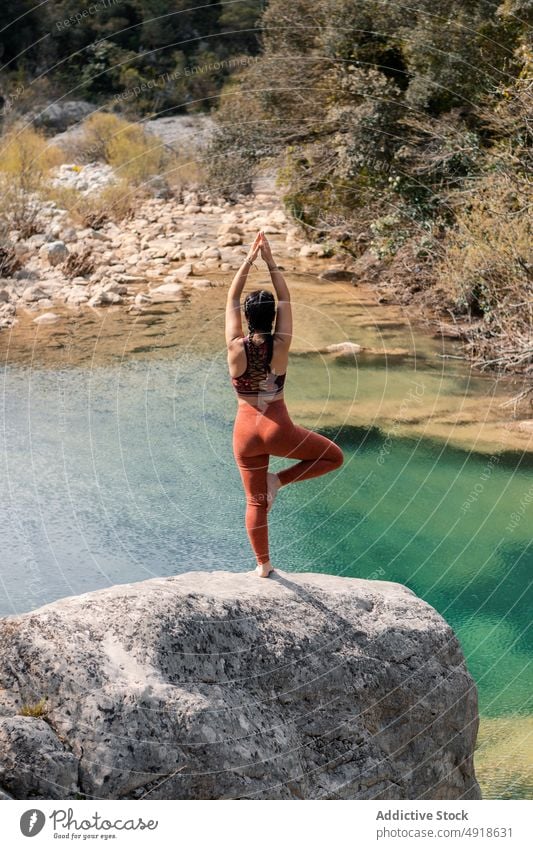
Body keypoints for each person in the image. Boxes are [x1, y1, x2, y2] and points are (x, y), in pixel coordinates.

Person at [226, 231, 344, 577]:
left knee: (254, 502)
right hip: (278, 427)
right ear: (272, 318)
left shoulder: (235, 347)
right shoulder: (281, 344)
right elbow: (286, 300)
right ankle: (280, 480)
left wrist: (249, 260)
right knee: (333, 457)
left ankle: (263, 565)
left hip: (245, 431)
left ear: (247, 318)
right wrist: (271, 262)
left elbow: (231, 298)